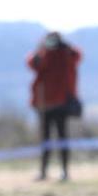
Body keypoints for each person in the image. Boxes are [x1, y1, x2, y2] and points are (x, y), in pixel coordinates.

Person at [28, 31, 81, 181]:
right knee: (46, 139)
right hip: (44, 103)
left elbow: (77, 56)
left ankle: (64, 170)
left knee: (62, 137)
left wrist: (67, 47)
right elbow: (32, 64)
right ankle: (44, 170)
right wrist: (41, 49)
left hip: (61, 102)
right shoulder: (44, 54)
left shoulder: (66, 54)